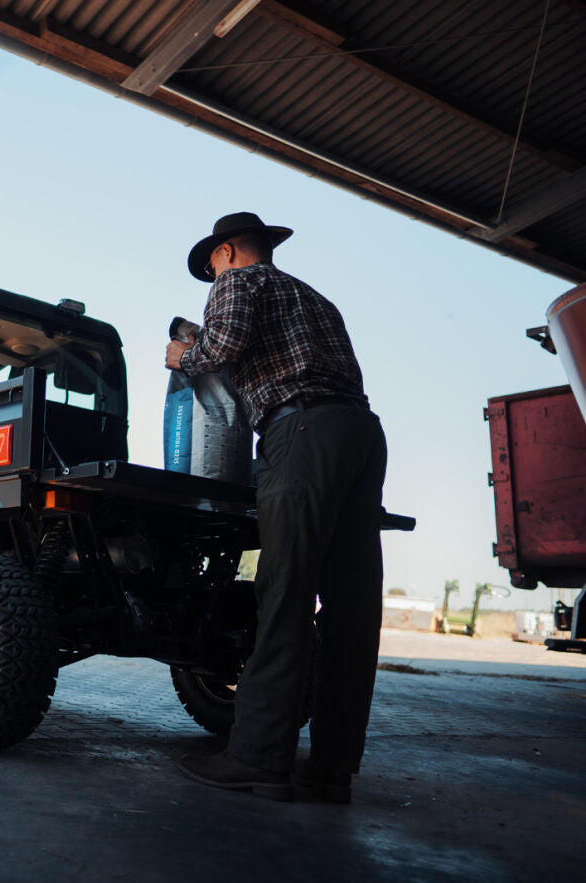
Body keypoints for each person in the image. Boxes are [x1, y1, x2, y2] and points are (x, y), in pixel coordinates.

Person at [166, 212, 388, 803]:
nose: (213, 276)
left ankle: (257, 758)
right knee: (351, 609)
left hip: (304, 433)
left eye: (212, 264)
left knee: (285, 591)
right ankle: (332, 768)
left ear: (230, 251)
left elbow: (223, 347)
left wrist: (181, 356)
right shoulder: (314, 298)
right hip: (361, 435)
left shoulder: (240, 283)